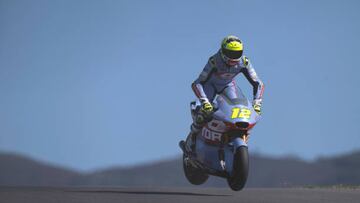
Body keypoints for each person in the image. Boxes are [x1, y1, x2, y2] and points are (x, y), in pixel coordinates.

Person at [185, 35, 264, 153]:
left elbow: (258, 83)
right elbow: (198, 83)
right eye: (230, 53)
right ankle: (192, 138)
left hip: (228, 85)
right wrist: (205, 102)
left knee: (239, 108)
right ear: (222, 51)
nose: (233, 58)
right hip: (210, 86)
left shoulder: (244, 62)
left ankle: (235, 137)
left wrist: (257, 103)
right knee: (204, 112)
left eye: (237, 54)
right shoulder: (214, 61)